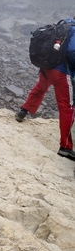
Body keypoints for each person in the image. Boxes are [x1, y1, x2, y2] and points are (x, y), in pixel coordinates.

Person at [17, 30, 75, 161]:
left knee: (40, 88)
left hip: (47, 66)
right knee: (67, 107)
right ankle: (65, 147)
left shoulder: (64, 26)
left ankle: (23, 111)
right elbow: (72, 52)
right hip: (61, 72)